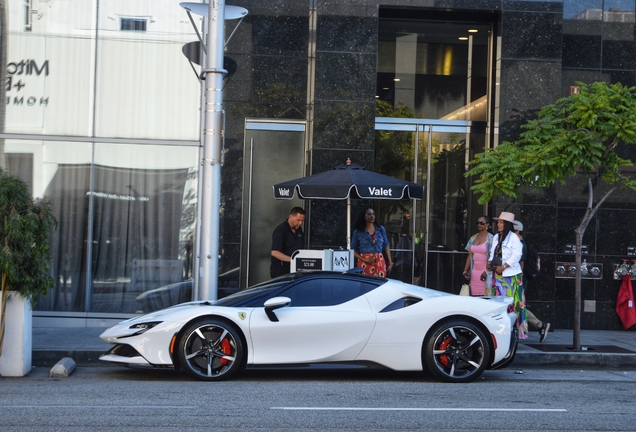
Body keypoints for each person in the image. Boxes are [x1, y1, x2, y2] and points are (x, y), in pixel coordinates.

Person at [487, 211, 527, 339]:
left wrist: (504, 267)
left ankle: (517, 334)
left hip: (511, 277)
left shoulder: (513, 237)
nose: (498, 224)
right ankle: (501, 332)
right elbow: (493, 253)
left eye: (501, 222)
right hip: (497, 275)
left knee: (515, 305)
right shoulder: (496, 237)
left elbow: (517, 255)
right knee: (498, 305)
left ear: (508, 224)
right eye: (498, 222)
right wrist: (490, 263)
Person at [513, 220, 551, 342]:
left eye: (512, 230)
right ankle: (539, 325)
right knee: (516, 305)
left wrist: (516, 280)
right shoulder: (518, 243)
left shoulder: (520, 244)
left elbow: (521, 264)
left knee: (518, 305)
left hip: (518, 280)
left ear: (518, 231)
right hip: (518, 280)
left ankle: (540, 325)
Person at [351, 208, 393, 277]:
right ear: (364, 217)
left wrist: (390, 262)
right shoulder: (358, 231)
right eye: (369, 214)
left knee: (380, 284)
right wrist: (364, 259)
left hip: (379, 261)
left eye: (373, 214)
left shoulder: (381, 229)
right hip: (364, 261)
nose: (372, 216)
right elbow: (353, 250)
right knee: (365, 284)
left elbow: (386, 245)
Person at [462, 215, 494, 296]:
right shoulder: (473, 237)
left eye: (482, 223)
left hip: (486, 273)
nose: (479, 224)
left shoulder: (491, 238)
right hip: (474, 273)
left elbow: (493, 257)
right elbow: (470, 255)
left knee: (486, 298)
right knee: (474, 297)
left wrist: (487, 271)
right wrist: (465, 270)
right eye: (478, 223)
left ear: (487, 224)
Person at [270, 207, 306, 278]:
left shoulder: (299, 230)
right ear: (291, 217)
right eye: (298, 220)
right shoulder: (281, 230)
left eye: (302, 221)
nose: (300, 223)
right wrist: (292, 260)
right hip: (281, 268)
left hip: (294, 268)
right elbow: (275, 252)